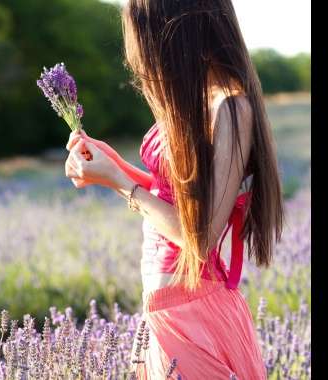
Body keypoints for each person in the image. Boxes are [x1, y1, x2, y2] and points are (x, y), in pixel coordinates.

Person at [64, 0, 284, 378]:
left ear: (179, 31)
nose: (143, 60)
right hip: (162, 313)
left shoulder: (231, 108)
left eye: (147, 41)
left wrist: (119, 182)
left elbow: (198, 238)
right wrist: (111, 166)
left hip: (195, 317)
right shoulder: (195, 102)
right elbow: (172, 198)